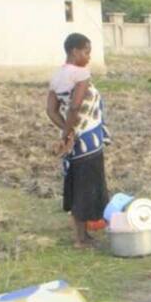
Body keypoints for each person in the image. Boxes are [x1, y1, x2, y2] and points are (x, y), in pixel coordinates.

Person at [45, 33, 109, 248]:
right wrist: (70, 133)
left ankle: (81, 235)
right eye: (86, 51)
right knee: (87, 186)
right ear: (74, 51)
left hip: (74, 140)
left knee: (77, 185)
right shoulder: (81, 74)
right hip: (87, 139)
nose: (88, 56)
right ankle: (81, 240)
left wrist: (65, 131)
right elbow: (75, 105)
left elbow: (51, 110)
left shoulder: (57, 76)